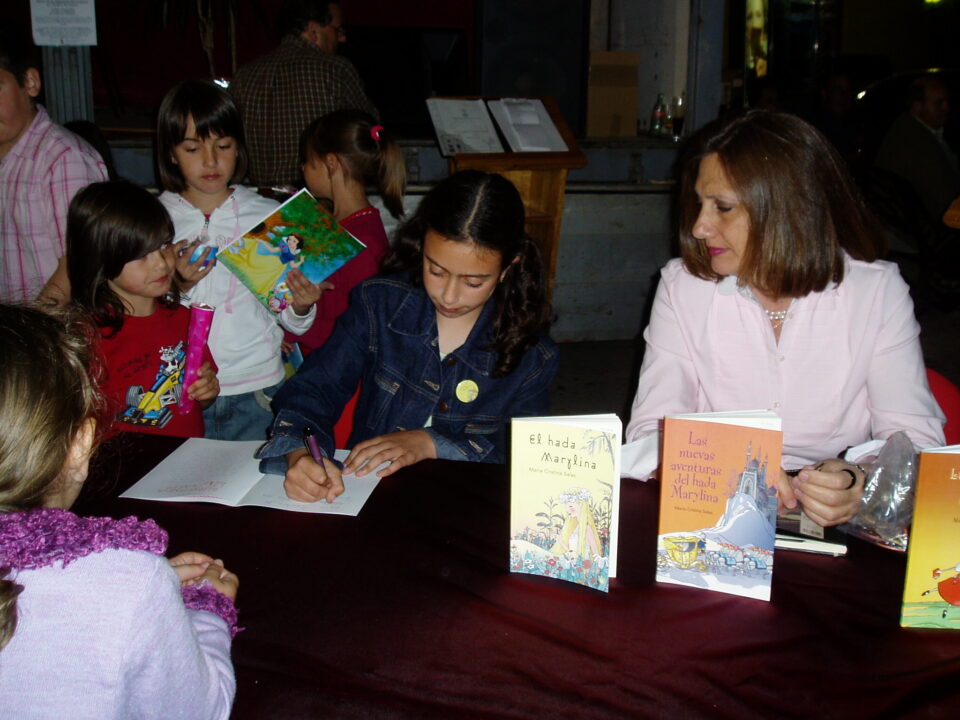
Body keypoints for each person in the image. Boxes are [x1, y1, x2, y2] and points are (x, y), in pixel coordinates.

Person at [623, 111, 945, 527]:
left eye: (722, 207)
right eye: (699, 204)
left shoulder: (875, 292)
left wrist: (857, 479)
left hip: (839, 529)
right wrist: (725, 462)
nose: (700, 227)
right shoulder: (683, 287)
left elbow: (916, 440)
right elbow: (652, 430)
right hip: (713, 512)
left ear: (789, 210)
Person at [257, 170, 559, 502]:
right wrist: (300, 454)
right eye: (436, 270)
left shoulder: (532, 354)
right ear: (422, 244)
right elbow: (315, 389)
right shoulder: (380, 303)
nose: (449, 296)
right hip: (372, 498)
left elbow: (527, 458)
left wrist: (433, 442)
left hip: (469, 507)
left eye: (473, 282)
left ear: (508, 267)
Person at [0, 303, 239, 718]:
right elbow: (202, 710)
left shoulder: (134, 583)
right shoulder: (130, 582)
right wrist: (206, 609)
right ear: (80, 444)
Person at [157, 79, 324, 441]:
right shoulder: (154, 220)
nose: (211, 161)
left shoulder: (270, 218)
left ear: (239, 148)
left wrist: (301, 305)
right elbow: (140, 311)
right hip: (180, 386)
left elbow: (293, 322)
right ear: (171, 153)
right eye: (192, 148)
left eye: (223, 146)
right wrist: (178, 287)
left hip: (257, 385)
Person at [67, 180, 220, 438]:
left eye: (163, 246)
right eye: (141, 255)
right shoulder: (85, 339)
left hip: (187, 460)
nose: (161, 264)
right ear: (101, 260)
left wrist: (207, 391)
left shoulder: (185, 319)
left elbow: (197, 401)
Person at [0, 27, 106, 304]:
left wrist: (32, 334)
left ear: (30, 82)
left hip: (47, 336)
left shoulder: (63, 159)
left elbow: (78, 266)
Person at [292, 108, 406, 352]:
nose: (303, 169)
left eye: (308, 162)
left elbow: (350, 332)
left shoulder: (363, 241)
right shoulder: (331, 223)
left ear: (331, 163)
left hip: (331, 378)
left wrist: (290, 335)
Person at [229, 0, 378, 186]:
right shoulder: (334, 69)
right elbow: (369, 132)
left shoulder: (245, 75)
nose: (342, 39)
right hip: (317, 203)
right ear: (313, 29)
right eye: (337, 30)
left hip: (262, 202)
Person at [875, 75, 960, 224]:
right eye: (939, 103)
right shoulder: (914, 141)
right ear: (917, 106)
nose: (946, 108)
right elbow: (947, 198)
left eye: (947, 101)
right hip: (929, 232)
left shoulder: (916, 130)